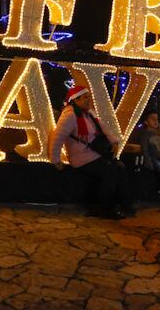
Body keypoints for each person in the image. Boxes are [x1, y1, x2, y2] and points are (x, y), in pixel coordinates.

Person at [51, 85, 135, 219]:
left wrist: (114, 142)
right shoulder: (69, 116)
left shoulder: (89, 113)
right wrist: (56, 160)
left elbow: (104, 128)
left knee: (120, 167)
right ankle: (105, 208)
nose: (88, 100)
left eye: (89, 97)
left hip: (95, 154)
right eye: (85, 97)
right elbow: (58, 137)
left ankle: (125, 204)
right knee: (110, 171)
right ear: (75, 100)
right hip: (81, 158)